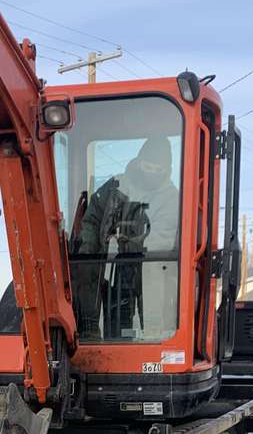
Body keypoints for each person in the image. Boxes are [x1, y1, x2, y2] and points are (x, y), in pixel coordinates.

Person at [73, 135, 180, 338]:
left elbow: (160, 242)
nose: (151, 173)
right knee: (84, 269)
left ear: (167, 170)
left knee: (153, 274)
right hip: (107, 266)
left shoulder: (172, 199)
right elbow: (92, 219)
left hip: (146, 270)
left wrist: (126, 243)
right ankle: (88, 329)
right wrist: (89, 250)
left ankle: (152, 334)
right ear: (139, 161)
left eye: (157, 170)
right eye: (148, 167)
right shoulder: (116, 186)